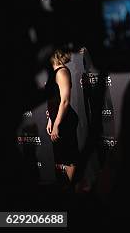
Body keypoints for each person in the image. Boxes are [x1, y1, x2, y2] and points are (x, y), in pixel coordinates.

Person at [45, 48, 79, 185]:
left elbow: (64, 101)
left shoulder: (62, 72)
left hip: (65, 120)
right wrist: (50, 120)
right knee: (63, 159)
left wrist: (57, 124)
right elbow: (54, 99)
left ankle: (76, 194)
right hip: (57, 120)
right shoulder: (53, 72)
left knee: (70, 160)